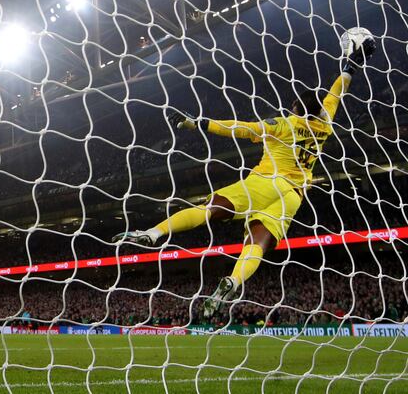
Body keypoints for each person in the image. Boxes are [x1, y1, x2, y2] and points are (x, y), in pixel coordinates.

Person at [114, 32, 377, 317]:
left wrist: (198, 123)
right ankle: (234, 280)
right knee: (256, 245)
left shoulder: (284, 124)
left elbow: (242, 128)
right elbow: (338, 90)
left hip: (266, 182)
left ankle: (154, 233)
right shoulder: (325, 124)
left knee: (209, 210)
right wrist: (352, 64)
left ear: (298, 109)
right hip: (293, 196)